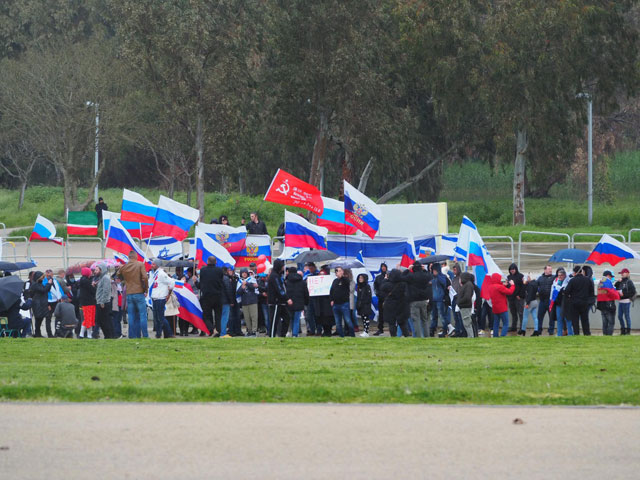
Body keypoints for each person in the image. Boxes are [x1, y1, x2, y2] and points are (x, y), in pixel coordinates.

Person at [117, 250, 149, 339]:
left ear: (129, 257)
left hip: (129, 293)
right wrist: (146, 289)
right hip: (139, 292)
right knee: (142, 315)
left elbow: (118, 274)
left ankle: (132, 335)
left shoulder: (125, 267)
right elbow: (145, 277)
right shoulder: (140, 264)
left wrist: (124, 279)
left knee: (131, 316)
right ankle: (145, 335)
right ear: (136, 256)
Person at [402, 261, 430, 338]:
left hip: (414, 301)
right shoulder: (425, 276)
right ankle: (427, 336)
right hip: (424, 300)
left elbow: (402, 277)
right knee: (424, 320)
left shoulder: (411, 276)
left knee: (416, 320)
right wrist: (424, 270)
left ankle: (418, 336)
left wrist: (407, 270)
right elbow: (430, 276)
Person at [197, 256, 224, 336]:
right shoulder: (219, 270)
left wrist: (196, 282)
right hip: (217, 295)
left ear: (207, 262)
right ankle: (218, 330)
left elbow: (201, 284)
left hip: (206, 296)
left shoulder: (203, 270)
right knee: (218, 315)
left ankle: (211, 329)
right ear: (215, 262)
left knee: (206, 315)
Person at [564, 267, 593, 336]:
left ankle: (576, 333)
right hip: (585, 302)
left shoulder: (572, 280)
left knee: (575, 320)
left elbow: (566, 292)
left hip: (574, 303)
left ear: (575, 272)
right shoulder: (587, 280)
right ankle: (587, 333)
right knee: (585, 319)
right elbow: (591, 292)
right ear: (581, 272)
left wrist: (570, 296)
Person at [149, 261, 175, 338]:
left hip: (160, 298)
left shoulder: (161, 273)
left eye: (153, 264)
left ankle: (169, 333)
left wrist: (169, 293)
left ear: (157, 265)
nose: (152, 265)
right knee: (157, 318)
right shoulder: (154, 274)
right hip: (155, 297)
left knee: (161, 318)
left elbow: (171, 282)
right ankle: (159, 333)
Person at [267, 259, 292, 337]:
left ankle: (282, 334)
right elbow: (279, 289)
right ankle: (271, 336)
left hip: (281, 302)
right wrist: (287, 298)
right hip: (276, 302)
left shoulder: (278, 276)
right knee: (274, 320)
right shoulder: (274, 276)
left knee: (287, 317)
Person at [384, 269, 411, 337]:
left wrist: (385, 279)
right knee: (402, 323)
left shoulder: (387, 285)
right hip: (401, 305)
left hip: (390, 305)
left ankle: (393, 337)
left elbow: (381, 287)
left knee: (392, 323)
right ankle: (407, 336)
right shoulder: (403, 284)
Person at [330, 267, 354, 337]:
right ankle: (341, 336)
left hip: (344, 304)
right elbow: (331, 291)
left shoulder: (346, 280)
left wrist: (342, 277)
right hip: (336, 304)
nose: (339, 272)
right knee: (338, 322)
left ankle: (352, 334)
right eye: (337, 271)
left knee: (348, 320)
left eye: (340, 271)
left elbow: (347, 283)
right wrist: (331, 299)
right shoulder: (335, 281)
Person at [285, 267, 308, 337]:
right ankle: (295, 334)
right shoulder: (302, 282)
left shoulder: (286, 282)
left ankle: (292, 332)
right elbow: (306, 293)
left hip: (289, 302)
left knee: (291, 318)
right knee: (297, 319)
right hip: (299, 302)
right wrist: (306, 302)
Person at [311, 265, 334, 337]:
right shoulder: (317, 281)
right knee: (321, 317)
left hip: (327, 301)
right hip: (319, 301)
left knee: (328, 317)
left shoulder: (330, 280)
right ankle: (324, 331)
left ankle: (328, 331)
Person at [429, 263, 450, 337]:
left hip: (440, 299)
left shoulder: (442, 276)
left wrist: (437, 275)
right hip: (433, 299)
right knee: (433, 316)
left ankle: (445, 330)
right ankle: (432, 330)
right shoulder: (431, 277)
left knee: (442, 315)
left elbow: (444, 283)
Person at [94, 263, 115, 339]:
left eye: (97, 270)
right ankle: (108, 335)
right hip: (100, 301)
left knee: (105, 320)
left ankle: (109, 335)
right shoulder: (101, 278)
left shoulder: (105, 278)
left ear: (101, 270)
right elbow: (101, 289)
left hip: (104, 303)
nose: (95, 271)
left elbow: (106, 290)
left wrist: (102, 302)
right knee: (101, 320)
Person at [30, 271, 53, 337]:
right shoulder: (35, 285)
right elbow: (43, 290)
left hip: (41, 304)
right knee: (38, 319)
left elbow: (45, 290)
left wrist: (49, 284)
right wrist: (48, 284)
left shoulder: (40, 284)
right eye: (42, 277)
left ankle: (38, 333)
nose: (43, 279)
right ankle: (37, 333)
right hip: (38, 304)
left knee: (40, 319)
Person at [237, 268, 260, 336]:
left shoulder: (251, 279)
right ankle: (249, 330)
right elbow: (238, 292)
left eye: (245, 272)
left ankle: (254, 330)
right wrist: (242, 287)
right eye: (242, 272)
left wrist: (247, 283)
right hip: (244, 302)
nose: (244, 274)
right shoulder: (239, 281)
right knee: (247, 317)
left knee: (254, 316)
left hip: (252, 301)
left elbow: (254, 287)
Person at [550, 268, 572, 336]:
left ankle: (570, 334)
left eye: (561, 275)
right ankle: (559, 334)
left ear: (564, 275)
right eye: (559, 275)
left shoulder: (569, 282)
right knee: (559, 320)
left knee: (568, 320)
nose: (559, 277)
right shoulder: (555, 282)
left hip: (566, 304)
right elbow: (552, 292)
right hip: (558, 304)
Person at [597, 270, 620, 336]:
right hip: (608, 305)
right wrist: (617, 294)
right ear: (607, 276)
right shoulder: (607, 281)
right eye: (610, 276)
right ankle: (609, 335)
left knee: (604, 323)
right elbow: (611, 292)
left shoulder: (600, 282)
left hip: (602, 305)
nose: (611, 278)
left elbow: (603, 292)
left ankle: (605, 335)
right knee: (611, 322)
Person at [615, 268, 635, 335]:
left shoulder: (629, 282)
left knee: (627, 316)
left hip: (626, 301)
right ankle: (623, 330)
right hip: (621, 301)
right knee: (619, 316)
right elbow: (615, 287)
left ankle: (628, 331)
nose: (621, 274)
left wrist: (624, 295)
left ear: (627, 273)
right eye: (621, 273)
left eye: (623, 273)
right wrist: (618, 282)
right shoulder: (621, 281)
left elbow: (633, 292)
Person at [536, 265, 555, 335]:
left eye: (551, 269)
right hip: (542, 300)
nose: (550, 270)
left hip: (550, 301)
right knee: (540, 316)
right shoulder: (540, 278)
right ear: (545, 270)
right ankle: (539, 329)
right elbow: (535, 285)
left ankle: (551, 330)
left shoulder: (554, 277)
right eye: (549, 269)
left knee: (551, 316)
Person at [78, 267, 96, 339]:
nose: (91, 273)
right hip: (89, 303)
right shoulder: (87, 282)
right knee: (89, 319)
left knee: (87, 319)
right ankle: (88, 335)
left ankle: (81, 334)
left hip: (85, 303)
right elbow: (93, 291)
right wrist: (94, 285)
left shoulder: (82, 280)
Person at [507, 263, 525, 332]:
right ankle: (513, 326)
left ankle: (521, 327)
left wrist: (520, 295)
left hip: (519, 298)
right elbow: (508, 287)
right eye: (511, 269)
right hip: (511, 298)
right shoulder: (508, 277)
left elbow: (523, 286)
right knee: (513, 313)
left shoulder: (521, 276)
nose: (512, 271)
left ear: (516, 269)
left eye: (513, 269)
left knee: (520, 313)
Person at [457, 271, 476, 337]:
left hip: (465, 306)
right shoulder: (467, 285)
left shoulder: (468, 285)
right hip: (464, 306)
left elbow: (467, 297)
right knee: (466, 323)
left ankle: (471, 337)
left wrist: (459, 302)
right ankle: (470, 336)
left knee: (467, 323)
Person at [303, 262, 320, 335]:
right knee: (309, 315)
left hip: (317, 297)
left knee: (317, 315)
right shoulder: (307, 275)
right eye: (309, 268)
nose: (310, 270)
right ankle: (312, 330)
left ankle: (319, 330)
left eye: (311, 268)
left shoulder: (319, 274)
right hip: (309, 297)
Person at [372, 263, 389, 335]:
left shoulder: (389, 276)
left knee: (390, 314)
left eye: (384, 267)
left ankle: (393, 328)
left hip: (388, 299)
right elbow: (375, 287)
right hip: (381, 298)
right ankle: (380, 329)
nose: (383, 268)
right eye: (382, 267)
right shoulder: (378, 277)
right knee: (381, 314)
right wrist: (378, 294)